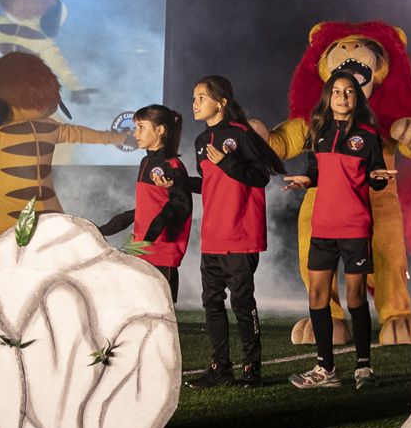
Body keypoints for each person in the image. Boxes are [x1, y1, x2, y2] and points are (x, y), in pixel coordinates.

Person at [283, 72, 393, 390]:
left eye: (349, 92)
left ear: (356, 99)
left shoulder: (368, 135)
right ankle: (326, 370)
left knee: (355, 297)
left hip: (355, 226)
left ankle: (363, 368)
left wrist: (380, 178)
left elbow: (374, 176)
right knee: (317, 296)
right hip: (323, 228)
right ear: (328, 97)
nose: (342, 97)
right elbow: (314, 172)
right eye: (336, 91)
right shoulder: (318, 132)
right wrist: (305, 179)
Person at [184, 74, 280, 387]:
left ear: (221, 102)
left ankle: (252, 369)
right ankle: (219, 367)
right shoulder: (201, 143)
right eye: (194, 97)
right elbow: (212, 186)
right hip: (212, 237)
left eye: (201, 97)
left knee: (241, 303)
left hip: (241, 235)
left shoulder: (241, 134)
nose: (195, 103)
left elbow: (261, 176)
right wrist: (180, 182)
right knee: (211, 303)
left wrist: (228, 163)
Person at [97, 104, 192, 301]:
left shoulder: (172, 165)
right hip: (140, 246)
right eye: (135, 127)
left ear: (160, 130)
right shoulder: (146, 162)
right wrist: (105, 228)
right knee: (133, 307)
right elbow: (144, 209)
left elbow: (181, 207)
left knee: (159, 312)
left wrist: (151, 236)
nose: (135, 133)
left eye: (141, 127)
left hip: (161, 249)